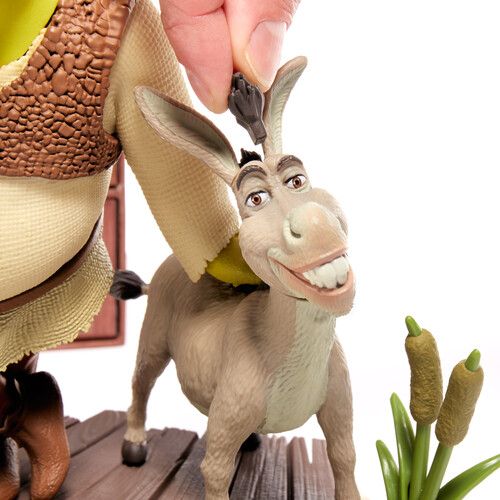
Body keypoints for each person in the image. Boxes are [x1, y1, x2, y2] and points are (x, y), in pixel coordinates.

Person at [0, 0, 299, 498]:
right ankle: (20, 408)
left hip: (34, 289)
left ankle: (19, 406)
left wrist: (227, 247)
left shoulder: (105, 22)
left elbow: (173, 161)